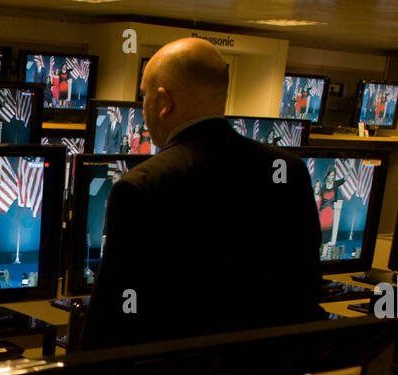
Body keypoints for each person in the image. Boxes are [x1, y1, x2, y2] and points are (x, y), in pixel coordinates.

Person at [82, 38, 323, 349]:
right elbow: (306, 288)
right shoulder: (289, 170)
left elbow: (116, 313)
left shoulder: (141, 186)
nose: (143, 110)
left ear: (163, 102)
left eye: (144, 97)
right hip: (267, 373)